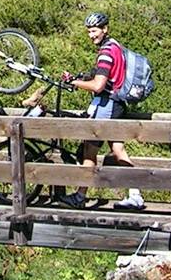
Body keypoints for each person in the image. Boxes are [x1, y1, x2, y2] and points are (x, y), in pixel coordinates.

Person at [60, 11, 145, 210]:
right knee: (117, 149)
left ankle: (80, 196)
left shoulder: (106, 53)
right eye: (89, 31)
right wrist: (79, 78)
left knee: (90, 150)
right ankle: (135, 194)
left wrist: (75, 82)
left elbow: (99, 86)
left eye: (94, 30)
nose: (91, 35)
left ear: (105, 29)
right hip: (117, 105)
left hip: (107, 106)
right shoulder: (115, 46)